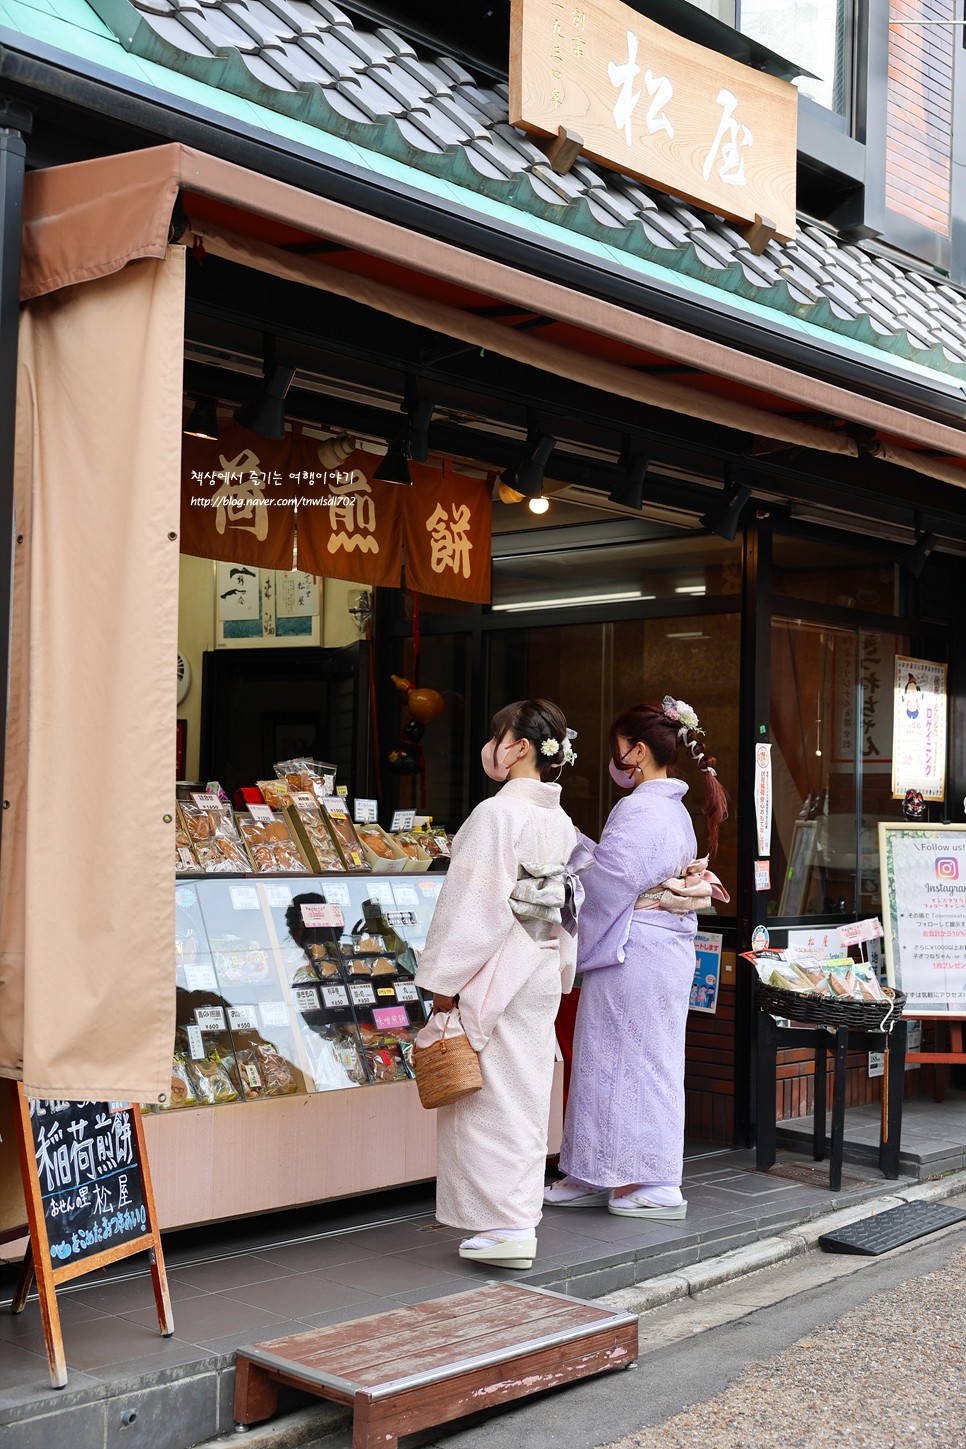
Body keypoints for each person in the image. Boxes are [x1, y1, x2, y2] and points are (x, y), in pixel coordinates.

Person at [546, 696, 729, 1220]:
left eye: (618, 748)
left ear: (639, 751)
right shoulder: (671, 809)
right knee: (618, 1060)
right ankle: (594, 1170)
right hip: (655, 947)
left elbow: (608, 882)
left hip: (637, 951)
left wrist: (571, 845)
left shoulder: (643, 807)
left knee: (631, 1064)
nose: (615, 757)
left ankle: (653, 1180)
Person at [414, 699, 579, 1269]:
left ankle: (504, 1224)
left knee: (490, 1097)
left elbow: (472, 908)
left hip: (497, 965)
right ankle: (519, 1212)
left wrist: (441, 981)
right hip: (538, 961)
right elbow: (563, 901)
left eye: (498, 735)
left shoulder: (496, 816)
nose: (493, 746)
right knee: (525, 1089)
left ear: (521, 747)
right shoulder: (559, 819)